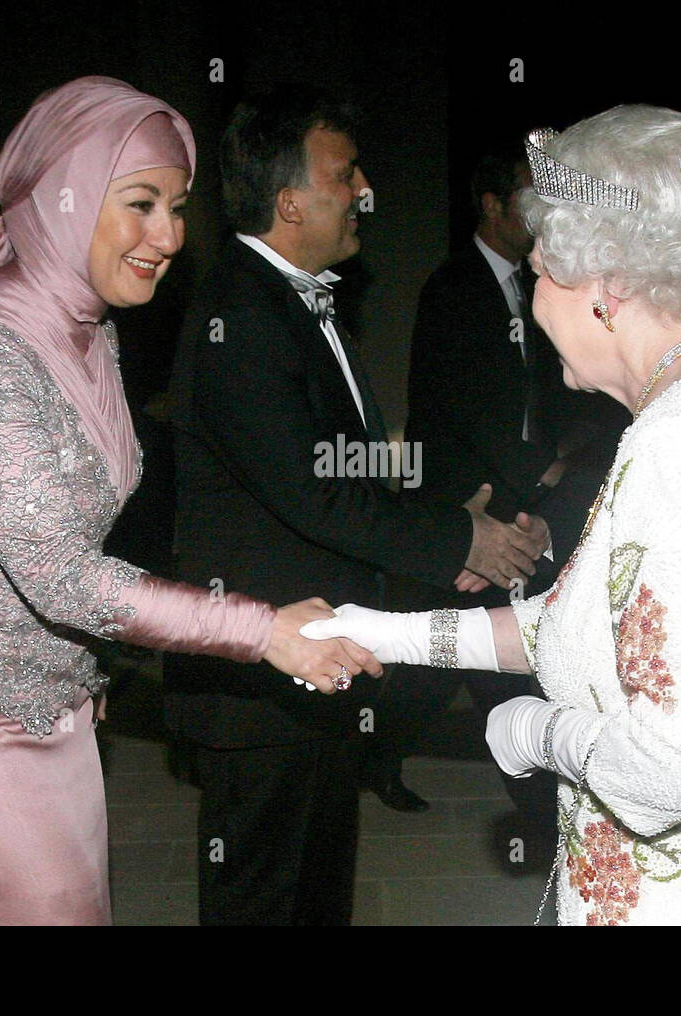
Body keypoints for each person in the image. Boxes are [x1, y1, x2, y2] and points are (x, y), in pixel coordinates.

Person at [303, 105, 681, 925]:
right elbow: (594, 625)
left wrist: (539, 734)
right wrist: (379, 631)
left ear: (608, 287)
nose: (534, 298)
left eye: (542, 271)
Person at [0, 76, 379, 927]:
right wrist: (261, 629)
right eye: (141, 204)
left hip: (54, 707)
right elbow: (60, 575)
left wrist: (87, 672)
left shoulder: (92, 331)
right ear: (68, 198)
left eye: (177, 205)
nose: (168, 235)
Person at [165, 86, 550, 925]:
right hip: (262, 676)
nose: (366, 190)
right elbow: (310, 492)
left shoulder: (294, 299)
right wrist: (460, 538)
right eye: (347, 174)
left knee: (316, 894)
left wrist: (451, 513)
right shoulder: (244, 315)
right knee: (265, 901)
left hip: (322, 657)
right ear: (289, 198)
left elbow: (340, 466)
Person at [368, 146, 624, 819]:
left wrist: (565, 466)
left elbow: (551, 394)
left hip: (526, 502)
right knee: (462, 656)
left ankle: (384, 753)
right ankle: (540, 807)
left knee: (461, 652)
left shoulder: (538, 286)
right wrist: (536, 472)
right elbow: (462, 399)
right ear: (490, 205)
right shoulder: (454, 286)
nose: (542, 215)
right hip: (464, 504)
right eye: (526, 198)